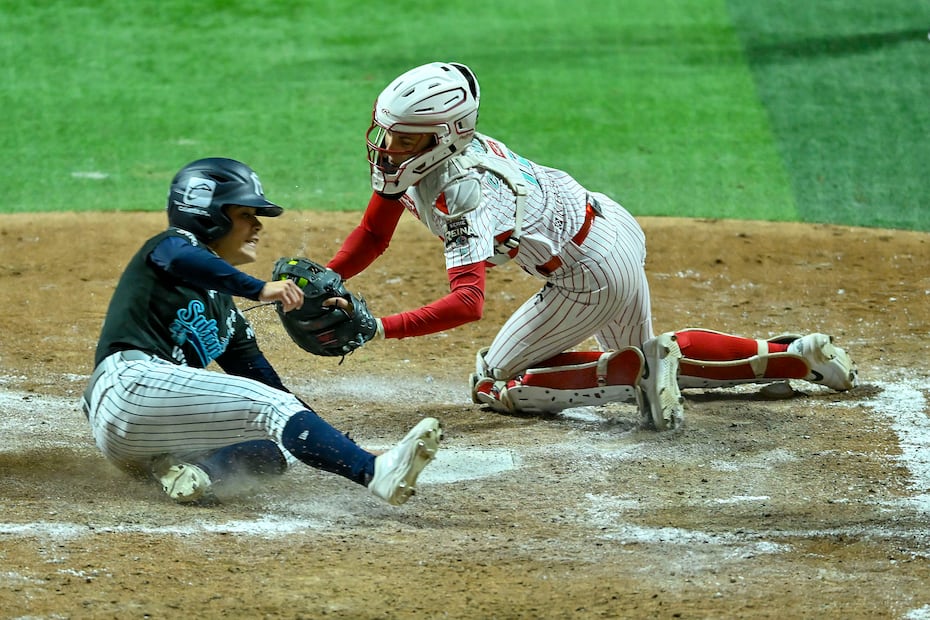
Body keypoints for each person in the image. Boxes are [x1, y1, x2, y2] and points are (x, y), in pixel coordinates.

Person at [326, 62, 858, 430]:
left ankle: (634, 372)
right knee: (652, 351)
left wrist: (380, 327)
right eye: (387, 133)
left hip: (587, 275)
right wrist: (328, 277)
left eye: (405, 138)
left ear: (444, 136)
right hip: (609, 226)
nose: (388, 147)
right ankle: (796, 358)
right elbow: (373, 233)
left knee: (493, 382)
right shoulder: (429, 158)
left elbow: (468, 303)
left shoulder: (459, 194)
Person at [82, 157, 441, 505]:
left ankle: (198, 476)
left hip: (142, 441)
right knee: (272, 410)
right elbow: (182, 259)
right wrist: (259, 288)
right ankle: (375, 473)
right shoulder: (168, 247)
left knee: (283, 438)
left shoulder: (228, 319)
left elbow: (271, 389)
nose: (258, 226)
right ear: (208, 215)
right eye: (245, 215)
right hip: (129, 385)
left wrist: (342, 446)